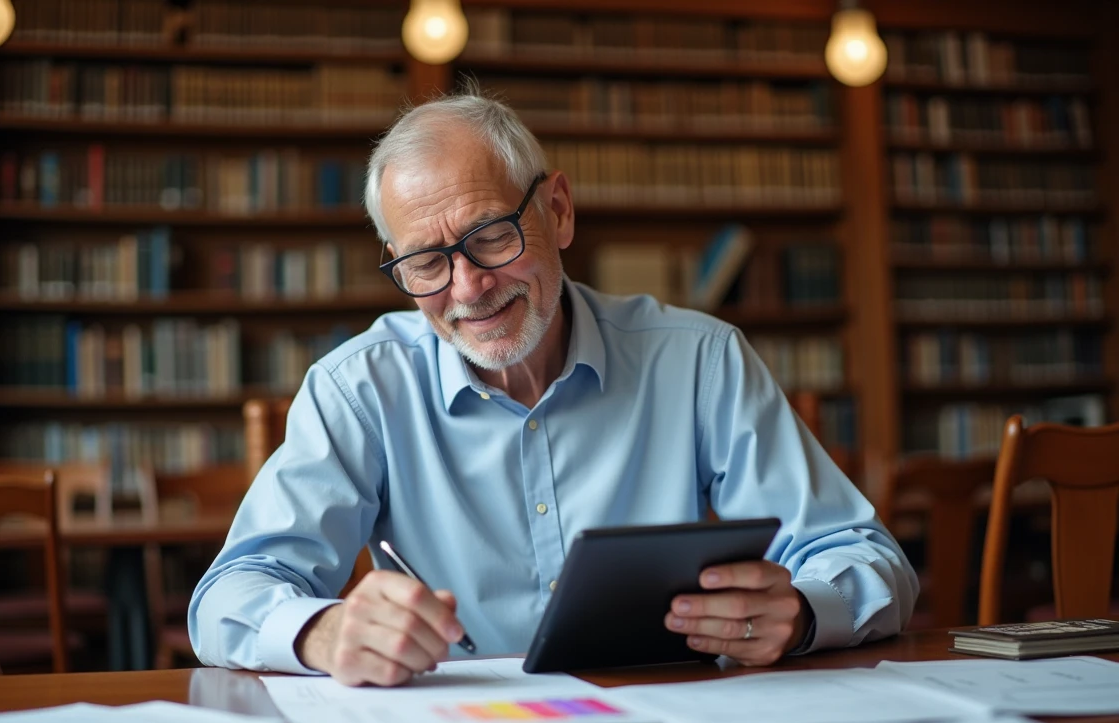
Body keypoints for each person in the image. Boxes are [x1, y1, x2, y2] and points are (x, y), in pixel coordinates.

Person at [190, 90, 918, 686]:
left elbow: (866, 555)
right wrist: (324, 630)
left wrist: (803, 611)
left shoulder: (699, 359)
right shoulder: (359, 387)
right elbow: (228, 596)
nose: (468, 287)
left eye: (491, 237)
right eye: (425, 263)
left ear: (558, 212)